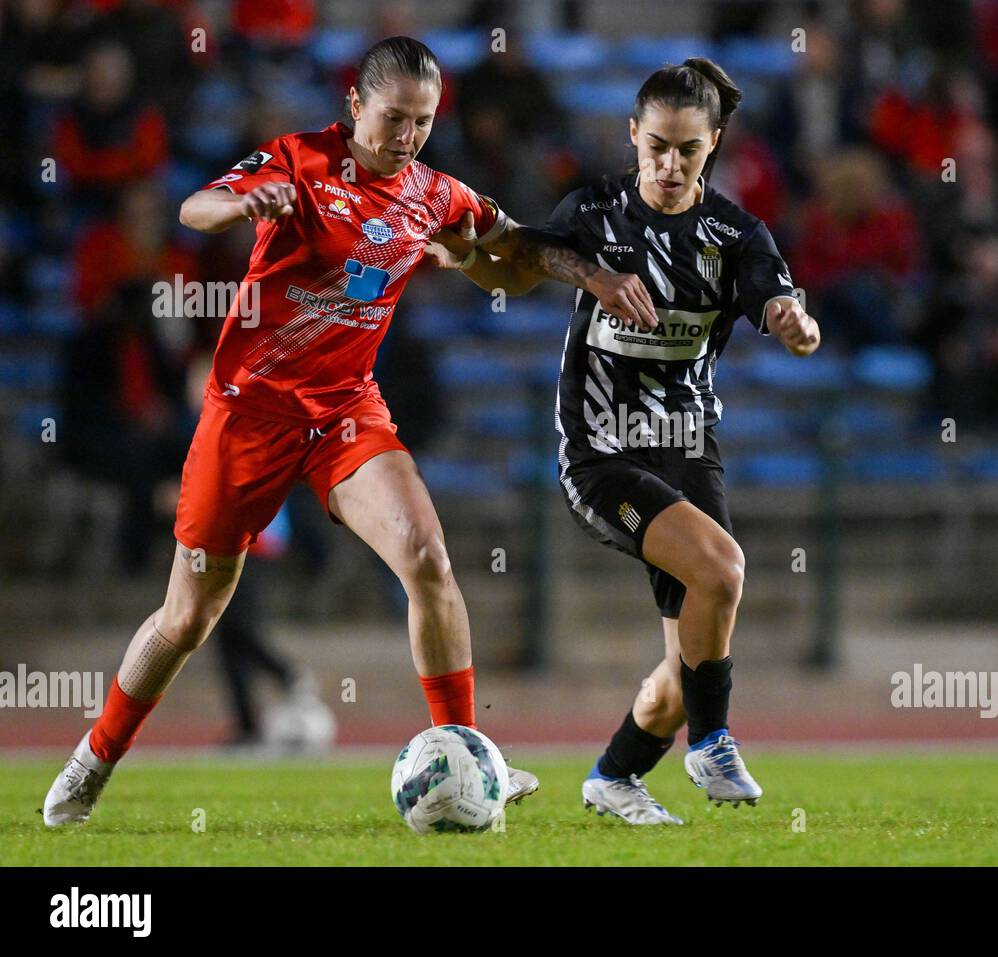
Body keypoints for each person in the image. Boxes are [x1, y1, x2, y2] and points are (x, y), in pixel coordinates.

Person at [43, 35, 659, 826]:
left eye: (423, 122)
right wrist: (242, 203)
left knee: (428, 558)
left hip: (344, 414)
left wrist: (597, 275)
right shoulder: (299, 161)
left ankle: (465, 751)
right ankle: (94, 756)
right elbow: (195, 207)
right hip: (249, 415)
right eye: (393, 118)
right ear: (353, 106)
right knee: (189, 616)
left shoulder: (434, 193)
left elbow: (514, 244)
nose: (405, 137)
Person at [428, 58, 821, 824]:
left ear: (715, 145)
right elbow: (525, 260)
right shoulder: (598, 212)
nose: (671, 166)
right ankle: (712, 741)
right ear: (633, 136)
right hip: (602, 451)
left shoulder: (734, 234)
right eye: (658, 148)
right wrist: (545, 270)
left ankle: (614, 776)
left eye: (690, 151)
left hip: (688, 447)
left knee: (683, 669)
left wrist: (792, 321)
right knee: (724, 568)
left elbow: (775, 294)